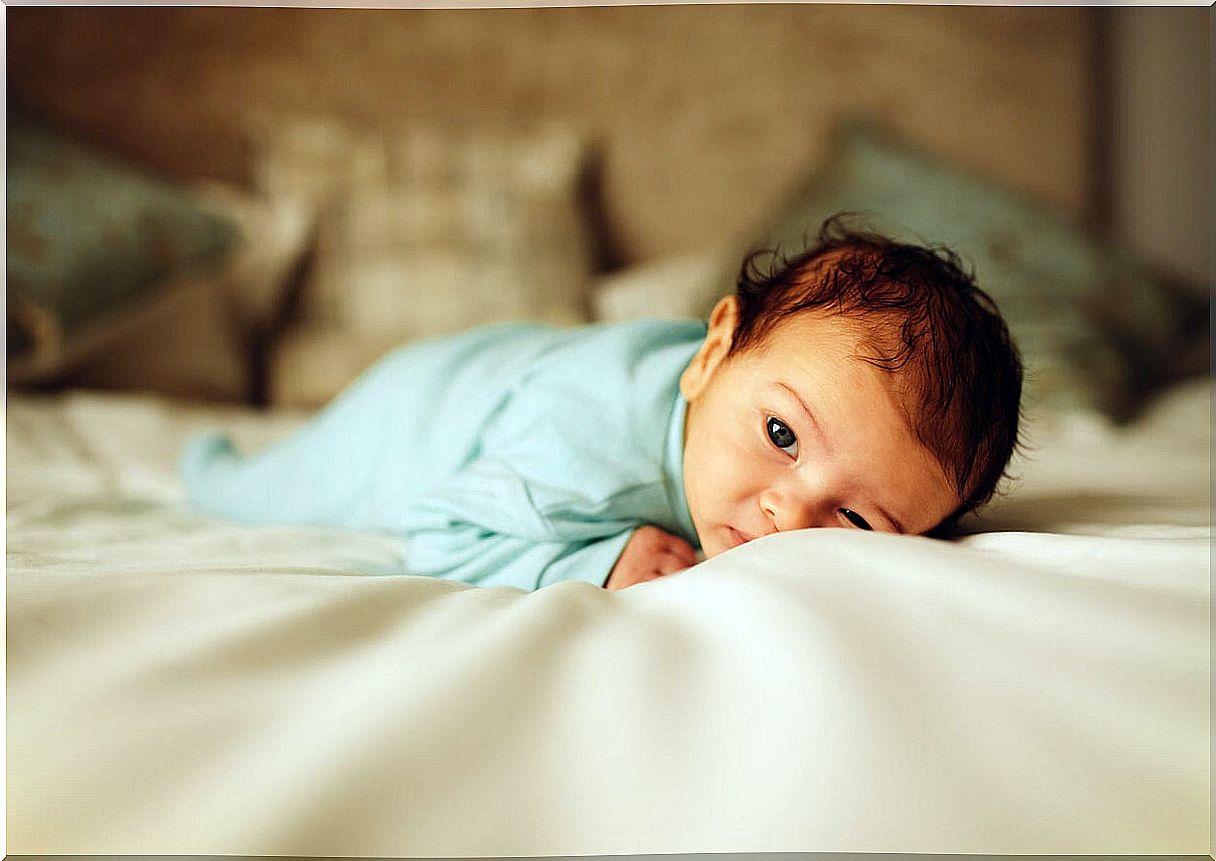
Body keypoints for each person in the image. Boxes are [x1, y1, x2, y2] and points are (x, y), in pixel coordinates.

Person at [181, 214, 1022, 591]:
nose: (787, 514)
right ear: (713, 353)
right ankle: (203, 459)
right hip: (411, 413)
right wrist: (592, 562)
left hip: (511, 366)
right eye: (779, 433)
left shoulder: (748, 395)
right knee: (251, 489)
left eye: (861, 519)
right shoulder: (586, 450)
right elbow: (444, 530)